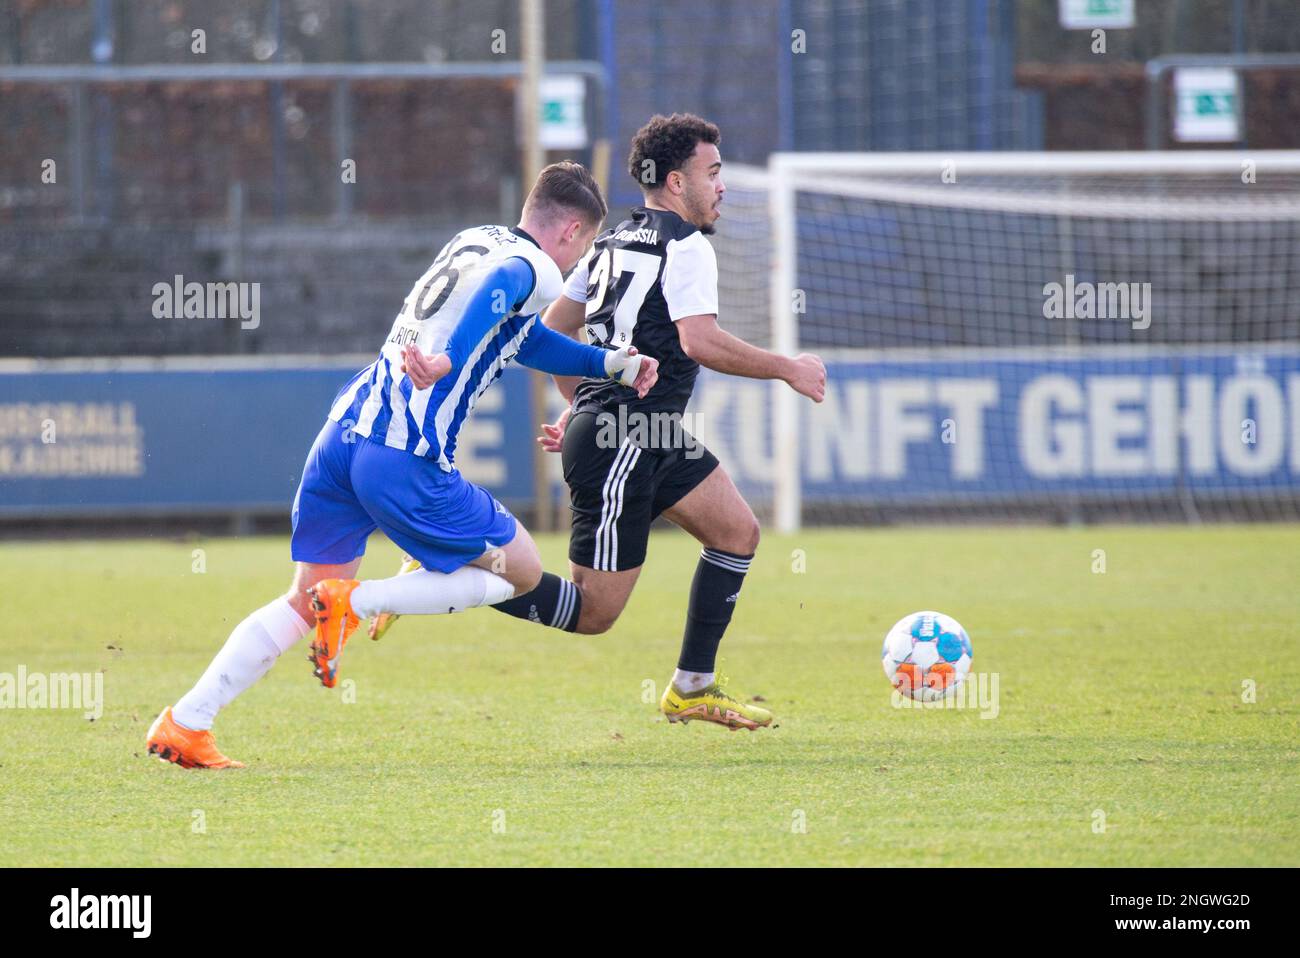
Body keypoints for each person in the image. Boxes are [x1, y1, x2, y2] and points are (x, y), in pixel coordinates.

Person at [146, 161, 658, 768]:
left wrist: (610, 364)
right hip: (404, 457)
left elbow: (525, 338)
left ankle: (187, 721)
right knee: (519, 570)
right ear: (571, 231)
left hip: (342, 437)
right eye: (579, 253)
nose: (572, 268)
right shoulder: (533, 267)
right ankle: (358, 601)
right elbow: (506, 284)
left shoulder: (471, 239)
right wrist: (447, 361)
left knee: (301, 598)